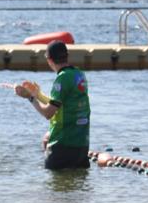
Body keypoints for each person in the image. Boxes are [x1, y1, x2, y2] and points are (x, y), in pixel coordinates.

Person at [15, 40, 91, 170]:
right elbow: (60, 103)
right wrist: (37, 94)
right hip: (81, 147)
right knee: (78, 187)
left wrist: (30, 98)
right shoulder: (79, 74)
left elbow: (48, 113)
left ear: (49, 60)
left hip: (62, 147)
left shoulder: (61, 78)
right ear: (67, 56)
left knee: (55, 188)